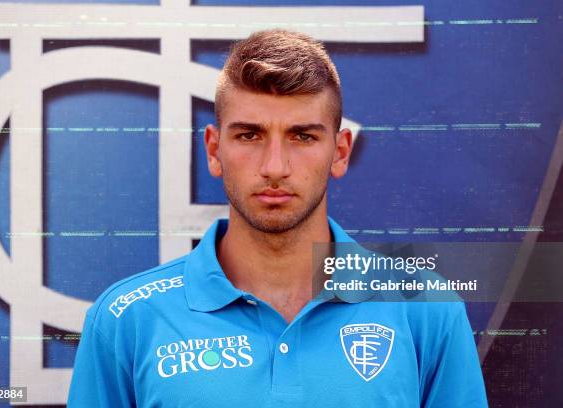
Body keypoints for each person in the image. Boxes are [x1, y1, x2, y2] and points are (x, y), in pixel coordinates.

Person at [67, 29, 488, 407]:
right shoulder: (126, 320)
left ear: (340, 152)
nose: (275, 166)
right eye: (249, 135)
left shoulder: (425, 309)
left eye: (302, 136)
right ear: (214, 150)